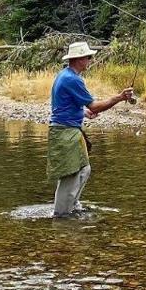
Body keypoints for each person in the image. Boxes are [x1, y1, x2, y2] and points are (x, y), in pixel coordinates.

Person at [47, 40, 133, 217]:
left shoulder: (65, 75)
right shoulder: (72, 79)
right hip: (66, 132)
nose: (90, 60)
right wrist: (119, 97)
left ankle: (72, 205)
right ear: (79, 59)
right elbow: (95, 106)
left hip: (67, 130)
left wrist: (82, 113)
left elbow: (64, 105)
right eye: (88, 57)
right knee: (71, 174)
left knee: (84, 169)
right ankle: (61, 216)